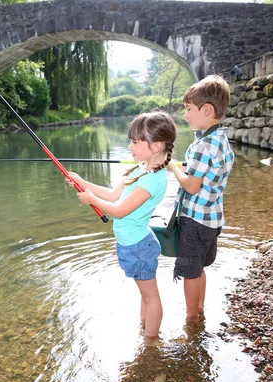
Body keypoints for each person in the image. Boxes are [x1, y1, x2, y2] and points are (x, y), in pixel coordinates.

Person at [66, 111, 177, 343]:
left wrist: (91, 200)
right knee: (145, 295)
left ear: (156, 146)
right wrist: (83, 182)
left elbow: (119, 210)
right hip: (133, 244)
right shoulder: (141, 169)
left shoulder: (152, 179)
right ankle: (144, 329)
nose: (129, 147)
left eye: (135, 142)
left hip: (138, 247)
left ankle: (151, 342)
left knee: (151, 297)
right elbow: (114, 194)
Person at [166, 74, 235, 323]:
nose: (185, 115)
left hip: (194, 221)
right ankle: (201, 309)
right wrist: (186, 169)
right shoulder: (219, 140)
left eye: (188, 109)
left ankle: (191, 320)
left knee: (189, 273)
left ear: (206, 110)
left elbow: (192, 187)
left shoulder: (201, 147)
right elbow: (203, 178)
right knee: (199, 268)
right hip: (212, 219)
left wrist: (174, 167)